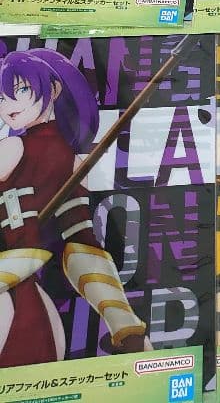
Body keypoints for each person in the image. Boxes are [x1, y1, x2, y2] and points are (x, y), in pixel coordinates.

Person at [0, 49, 149, 366]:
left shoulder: (14, 149)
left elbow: (78, 241)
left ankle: (128, 330)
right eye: (1, 97)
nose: (8, 105)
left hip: (21, 268)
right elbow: (80, 242)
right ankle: (129, 330)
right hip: (29, 276)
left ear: (53, 90)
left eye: (21, 90)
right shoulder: (71, 160)